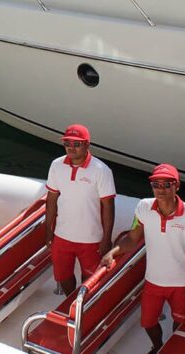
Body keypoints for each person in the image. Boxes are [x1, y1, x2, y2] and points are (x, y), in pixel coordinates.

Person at [102, 164, 185, 354]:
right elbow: (133, 238)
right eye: (156, 184)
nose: (160, 189)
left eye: (167, 184)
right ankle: (158, 347)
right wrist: (113, 252)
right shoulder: (143, 206)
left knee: (180, 322)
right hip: (153, 280)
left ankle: (175, 350)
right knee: (148, 322)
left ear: (177, 186)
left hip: (181, 282)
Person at [45, 124, 116, 296]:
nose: (71, 147)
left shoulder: (102, 170)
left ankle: (83, 308)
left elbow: (108, 206)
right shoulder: (56, 165)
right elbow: (51, 200)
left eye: (76, 143)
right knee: (62, 276)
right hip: (62, 236)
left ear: (87, 145)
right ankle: (71, 300)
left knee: (89, 279)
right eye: (67, 142)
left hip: (91, 239)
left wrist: (106, 239)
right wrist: (49, 232)